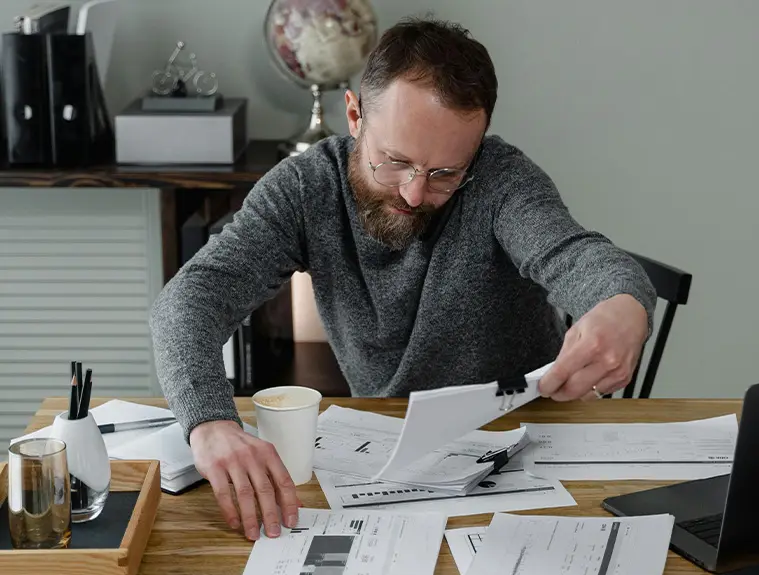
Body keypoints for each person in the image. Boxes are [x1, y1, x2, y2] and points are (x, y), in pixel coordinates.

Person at [149, 18, 656, 542]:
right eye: (395, 161)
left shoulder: (502, 181)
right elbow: (188, 301)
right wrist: (210, 422)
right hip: (384, 451)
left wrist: (623, 304)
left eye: (444, 174)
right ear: (354, 115)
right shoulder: (304, 190)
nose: (414, 194)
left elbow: (580, 257)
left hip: (524, 446)